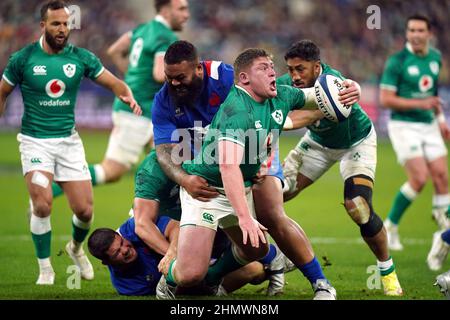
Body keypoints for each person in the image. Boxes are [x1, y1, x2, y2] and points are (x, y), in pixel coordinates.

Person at [153, 40, 359, 299]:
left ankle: (216, 280)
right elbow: (228, 167)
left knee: (257, 247)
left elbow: (313, 96)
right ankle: (169, 279)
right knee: (190, 274)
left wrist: (352, 89)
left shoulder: (280, 94)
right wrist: (244, 217)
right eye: (265, 68)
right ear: (245, 79)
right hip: (207, 190)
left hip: (246, 177)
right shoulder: (235, 112)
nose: (274, 72)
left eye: (272, 67)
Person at [0, 0, 141, 285]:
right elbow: (2, 92)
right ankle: (45, 269)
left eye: (66, 23)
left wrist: (126, 94)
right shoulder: (23, 59)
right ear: (43, 26)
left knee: (85, 211)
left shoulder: (81, 58)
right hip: (35, 142)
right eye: (56, 24)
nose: (63, 29)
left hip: (69, 143)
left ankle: (75, 248)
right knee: (42, 205)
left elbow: (114, 82)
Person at [280, 40, 403, 296]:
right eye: (290, 69)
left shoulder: (333, 84)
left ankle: (386, 270)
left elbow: (310, 116)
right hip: (317, 144)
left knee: (358, 207)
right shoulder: (285, 83)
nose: (294, 76)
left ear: (317, 67)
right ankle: (282, 260)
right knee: (275, 196)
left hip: (356, 142)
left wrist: (273, 122)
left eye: (300, 69)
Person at [50, 0, 190, 198]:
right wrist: (188, 80)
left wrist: (132, 78)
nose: (187, 14)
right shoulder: (165, 36)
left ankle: (160, 217)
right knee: (112, 171)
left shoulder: (142, 30)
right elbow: (160, 74)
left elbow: (115, 50)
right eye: (182, 9)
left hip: (147, 112)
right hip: (139, 112)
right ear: (166, 11)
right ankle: (54, 187)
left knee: (174, 166)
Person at [380, 14, 450, 251]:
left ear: (430, 34)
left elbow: (433, 91)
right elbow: (386, 99)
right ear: (407, 34)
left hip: (429, 124)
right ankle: (390, 226)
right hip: (403, 125)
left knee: (441, 176)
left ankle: (443, 234)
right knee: (419, 179)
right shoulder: (397, 61)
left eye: (420, 31)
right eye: (411, 30)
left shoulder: (435, 58)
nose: (416, 35)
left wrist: (441, 119)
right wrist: (420, 104)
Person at [87, 217, 294, 297]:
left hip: (195, 240)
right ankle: (273, 265)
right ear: (107, 262)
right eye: (117, 253)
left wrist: (172, 254)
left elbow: (175, 227)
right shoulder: (125, 285)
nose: (125, 249)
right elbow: (176, 293)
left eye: (122, 243)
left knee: (241, 242)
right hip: (192, 281)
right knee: (254, 271)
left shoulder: (134, 229)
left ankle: (277, 259)